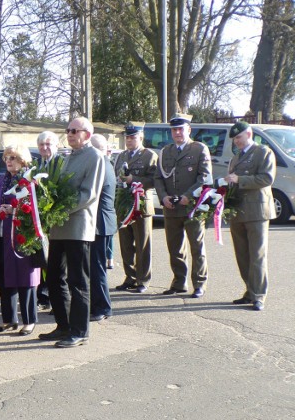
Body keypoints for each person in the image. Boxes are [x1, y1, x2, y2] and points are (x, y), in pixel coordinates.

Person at [38, 117, 104, 348]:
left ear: (87, 133)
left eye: (74, 130)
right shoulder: (66, 157)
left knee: (78, 281)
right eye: (68, 130)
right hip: (59, 228)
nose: (70, 134)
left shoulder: (94, 156)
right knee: (54, 278)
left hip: (78, 228)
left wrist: (58, 208)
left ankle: (80, 331)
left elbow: (89, 194)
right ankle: (63, 325)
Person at [154, 113, 212, 298]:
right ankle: (179, 282)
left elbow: (205, 177)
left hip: (192, 207)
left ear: (189, 130)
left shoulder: (199, 149)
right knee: (174, 247)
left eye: (181, 129)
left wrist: (189, 196)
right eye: (174, 129)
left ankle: (199, 283)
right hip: (171, 207)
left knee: (197, 246)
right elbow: (158, 177)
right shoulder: (166, 151)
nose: (177, 132)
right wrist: (163, 197)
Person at [0, 145, 40, 335]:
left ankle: (29, 320)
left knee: (25, 279)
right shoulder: (0, 181)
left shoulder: (29, 182)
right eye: (7, 157)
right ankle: (9, 320)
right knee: (4, 277)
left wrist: (13, 210)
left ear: (23, 160)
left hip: (21, 236)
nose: (8, 161)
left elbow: (34, 208)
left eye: (13, 158)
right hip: (0, 235)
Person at [224, 121, 276, 311]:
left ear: (249, 134)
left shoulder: (263, 152)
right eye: (234, 138)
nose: (236, 141)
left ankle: (259, 295)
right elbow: (233, 183)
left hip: (257, 212)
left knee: (257, 256)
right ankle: (249, 290)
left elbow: (267, 178)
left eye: (239, 136)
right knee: (242, 256)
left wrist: (240, 179)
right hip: (238, 212)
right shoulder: (235, 158)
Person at [113, 122, 158, 293]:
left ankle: (143, 280)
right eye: (127, 137)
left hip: (141, 206)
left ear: (141, 137)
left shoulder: (149, 155)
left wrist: (135, 179)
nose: (129, 140)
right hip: (124, 206)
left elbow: (154, 179)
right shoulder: (122, 156)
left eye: (133, 137)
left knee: (143, 244)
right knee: (126, 245)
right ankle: (130, 277)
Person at [89, 133, 117, 322]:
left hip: (100, 223)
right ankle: (98, 305)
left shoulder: (102, 165)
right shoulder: (104, 164)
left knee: (97, 268)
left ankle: (102, 307)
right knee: (95, 267)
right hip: (101, 222)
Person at [35, 130, 61, 311]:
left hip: (56, 220)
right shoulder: (36, 165)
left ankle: (55, 297)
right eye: (41, 145)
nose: (45, 148)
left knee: (54, 260)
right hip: (37, 220)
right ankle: (42, 295)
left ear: (56, 146)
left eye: (48, 144)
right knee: (40, 258)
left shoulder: (62, 164)